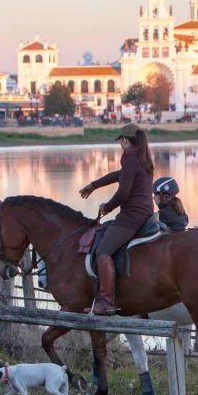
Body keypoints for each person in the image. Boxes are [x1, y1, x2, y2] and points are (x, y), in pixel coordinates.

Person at [78, 124, 154, 315]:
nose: (120, 144)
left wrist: (107, 207)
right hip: (144, 213)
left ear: (125, 140)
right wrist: (94, 185)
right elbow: (118, 176)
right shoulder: (142, 158)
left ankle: (106, 301)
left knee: (103, 251)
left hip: (131, 217)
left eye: (120, 140)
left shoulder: (132, 159)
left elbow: (123, 194)